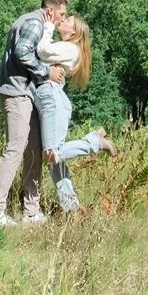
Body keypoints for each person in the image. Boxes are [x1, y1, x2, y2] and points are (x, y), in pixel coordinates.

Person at [0, 0, 68, 227]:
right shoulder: (35, 23)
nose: (62, 20)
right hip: (17, 93)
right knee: (15, 148)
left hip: (26, 93)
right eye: (61, 15)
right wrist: (47, 72)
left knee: (34, 150)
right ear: (50, 10)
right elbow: (22, 51)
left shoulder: (33, 22)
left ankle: (31, 211)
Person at [34, 14, 117, 212]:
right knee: (55, 160)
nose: (63, 20)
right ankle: (71, 207)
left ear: (74, 32)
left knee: (52, 154)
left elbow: (42, 50)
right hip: (51, 97)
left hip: (52, 97)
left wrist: (48, 26)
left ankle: (95, 142)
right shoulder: (66, 47)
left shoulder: (70, 48)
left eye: (68, 20)